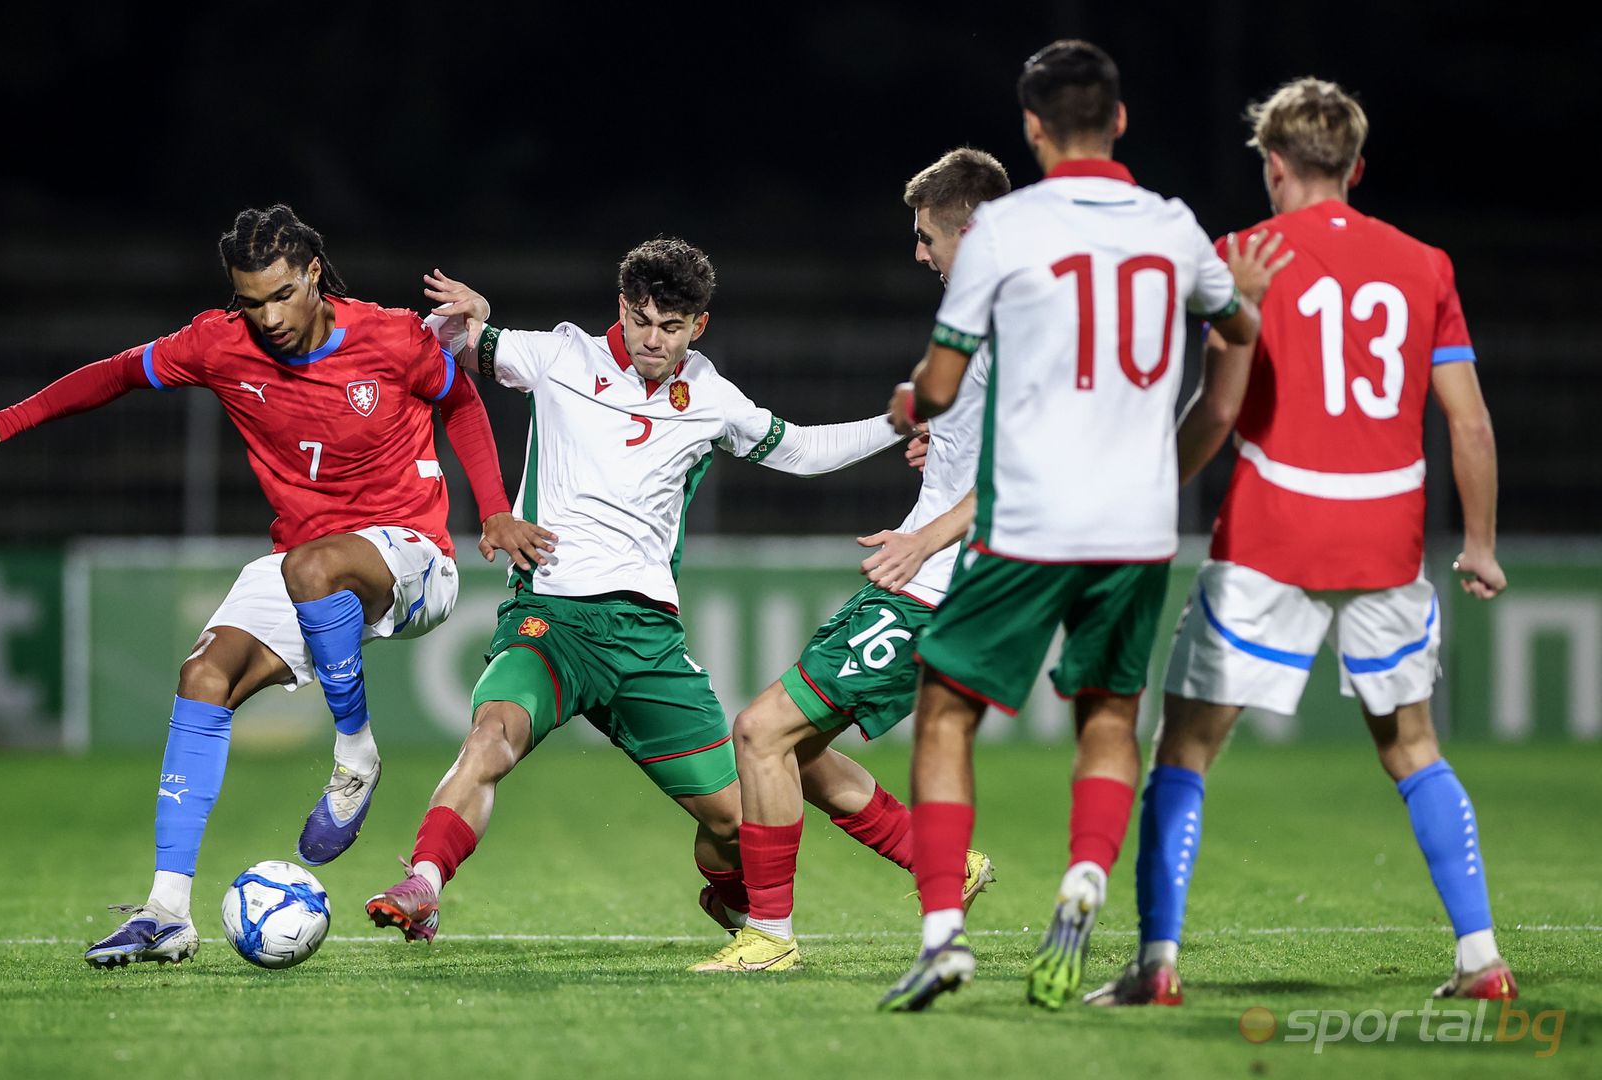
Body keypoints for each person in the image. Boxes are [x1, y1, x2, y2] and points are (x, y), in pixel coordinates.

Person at [0, 204, 546, 968]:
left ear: (314, 274)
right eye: (251, 301)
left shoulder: (390, 335)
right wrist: (5, 422)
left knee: (312, 566)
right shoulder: (219, 344)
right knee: (203, 675)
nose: (269, 317)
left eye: (282, 294)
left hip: (413, 556)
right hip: (301, 563)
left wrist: (496, 510)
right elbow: (116, 372)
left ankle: (356, 755)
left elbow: (460, 400)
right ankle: (166, 911)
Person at [1086, 77, 1514, 1007]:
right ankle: (1481, 958)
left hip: (1273, 532)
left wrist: (1145, 488)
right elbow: (1469, 424)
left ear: (1273, 163)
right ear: (1355, 167)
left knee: (1185, 750)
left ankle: (1157, 966)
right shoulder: (1425, 265)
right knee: (1412, 746)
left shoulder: (1241, 256)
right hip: (1386, 536)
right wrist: (1478, 543)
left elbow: (1221, 411)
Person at [875, 40, 1279, 1012]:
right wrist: (1237, 311)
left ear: (1029, 127)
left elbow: (936, 386)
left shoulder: (1004, 232)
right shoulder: (1174, 229)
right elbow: (1235, 328)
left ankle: (941, 935)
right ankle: (1085, 879)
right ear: (1120, 121)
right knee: (1106, 716)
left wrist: (907, 406)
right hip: (1138, 523)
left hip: (1030, 519)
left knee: (944, 710)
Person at [362, 237, 910, 948]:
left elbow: (801, 450)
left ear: (699, 326)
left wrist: (895, 425)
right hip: (550, 619)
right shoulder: (561, 356)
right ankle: (425, 882)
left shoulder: (712, 398)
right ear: (621, 306)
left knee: (741, 828)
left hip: (647, 641)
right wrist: (468, 320)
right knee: (493, 734)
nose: (653, 339)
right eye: (641, 318)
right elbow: (442, 353)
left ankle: (729, 891)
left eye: (671, 326)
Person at [690, 148, 1010, 974]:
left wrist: (925, 537)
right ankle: (948, 867)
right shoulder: (990, 319)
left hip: (938, 586)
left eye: (925, 234)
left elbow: (1033, 469)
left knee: (760, 732)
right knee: (791, 745)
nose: (918, 251)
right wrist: (944, 447)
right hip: (934, 579)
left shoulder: (1010, 322)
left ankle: (770, 934)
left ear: (968, 229)